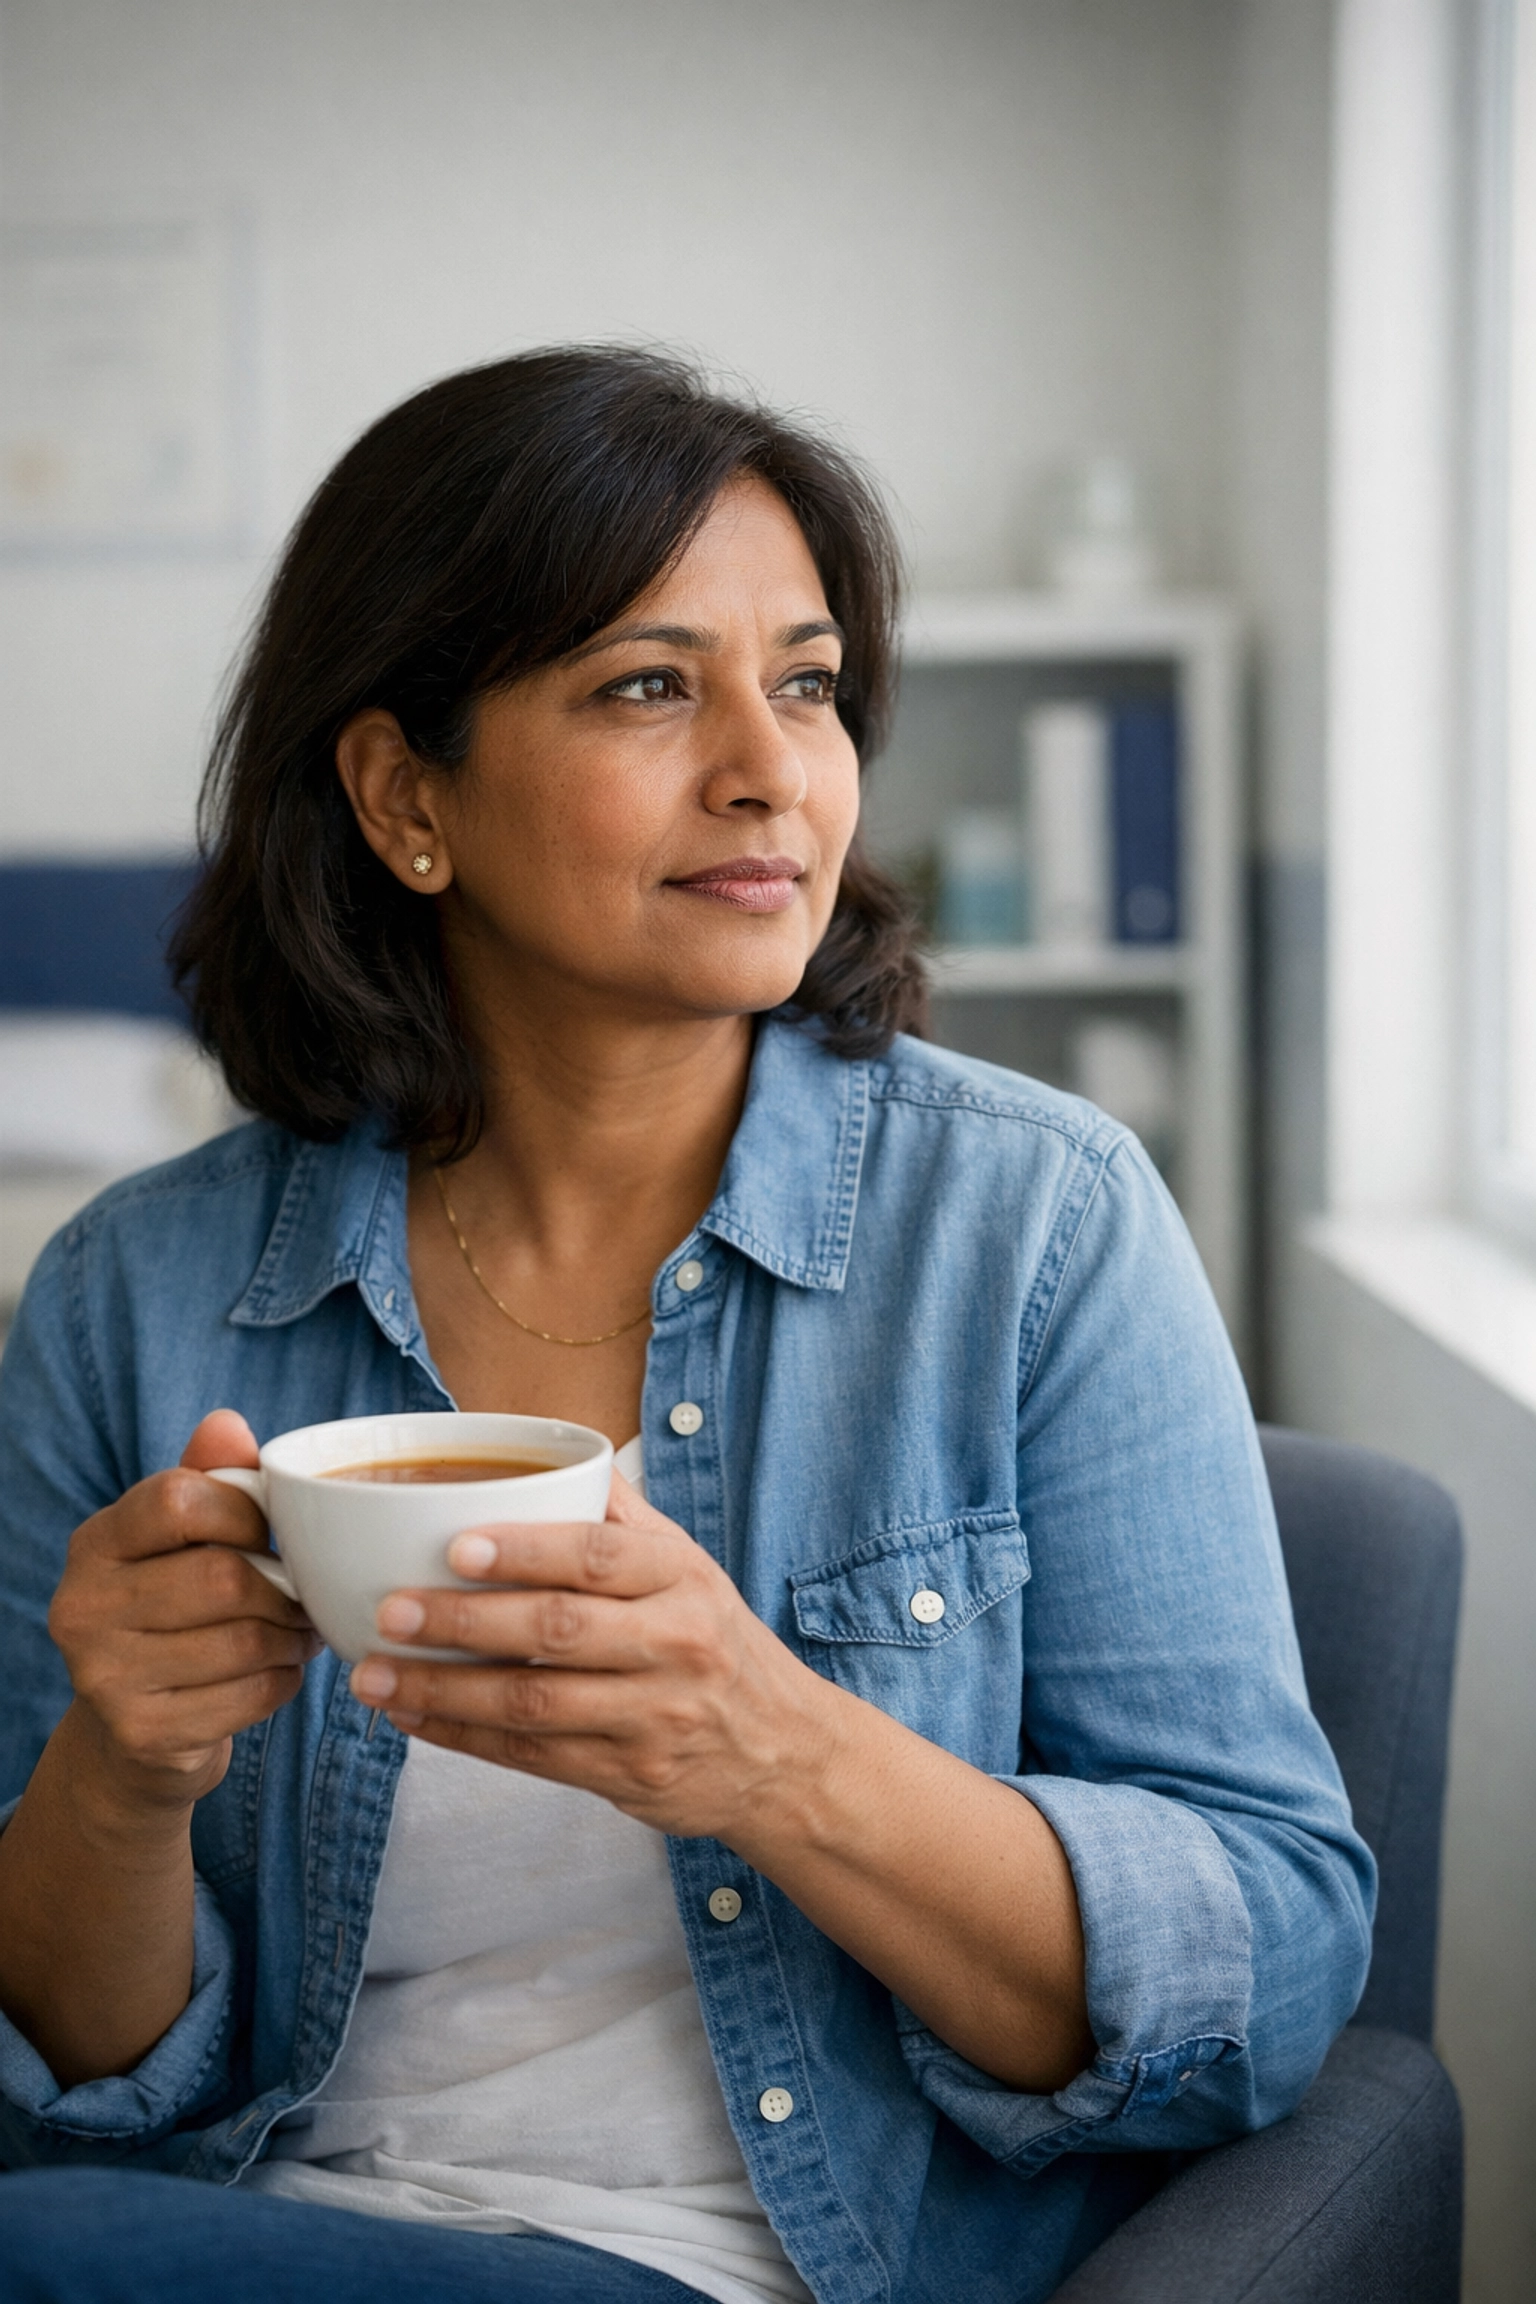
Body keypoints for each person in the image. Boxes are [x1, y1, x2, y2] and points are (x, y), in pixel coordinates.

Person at [0, 348, 1373, 2304]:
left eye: (806, 683)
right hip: (242, 2225)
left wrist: (770, 1754)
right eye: (651, 686)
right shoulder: (132, 1297)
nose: (771, 766)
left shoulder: (1036, 1225)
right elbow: (67, 2083)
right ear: (406, 795)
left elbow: (1280, 1954)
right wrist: (119, 1784)